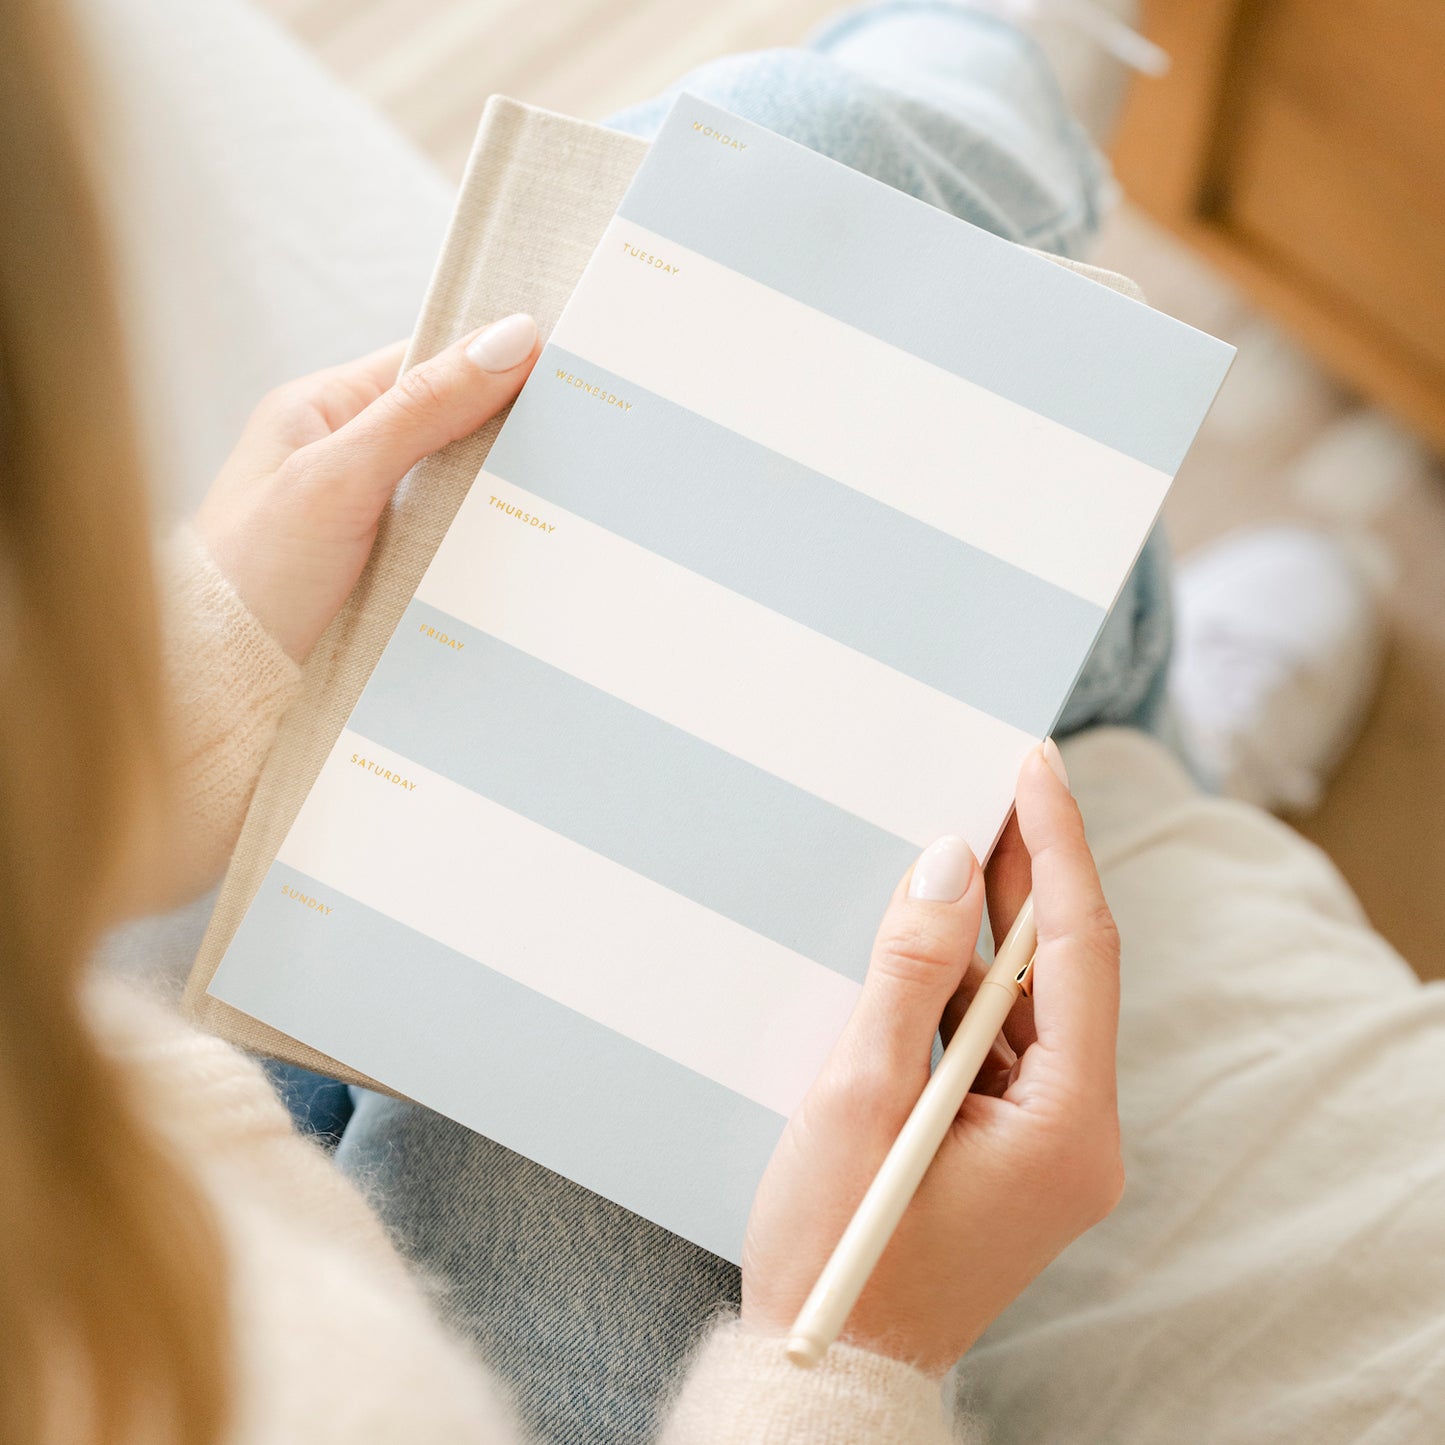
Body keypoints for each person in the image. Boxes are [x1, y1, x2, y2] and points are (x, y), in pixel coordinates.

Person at [5, 2, 1439, 1444]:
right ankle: (1115, 725)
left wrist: (185, 702)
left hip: (134, 1120)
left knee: (757, 196)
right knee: (807, 190)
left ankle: (1092, 715)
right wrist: (847, 1350)